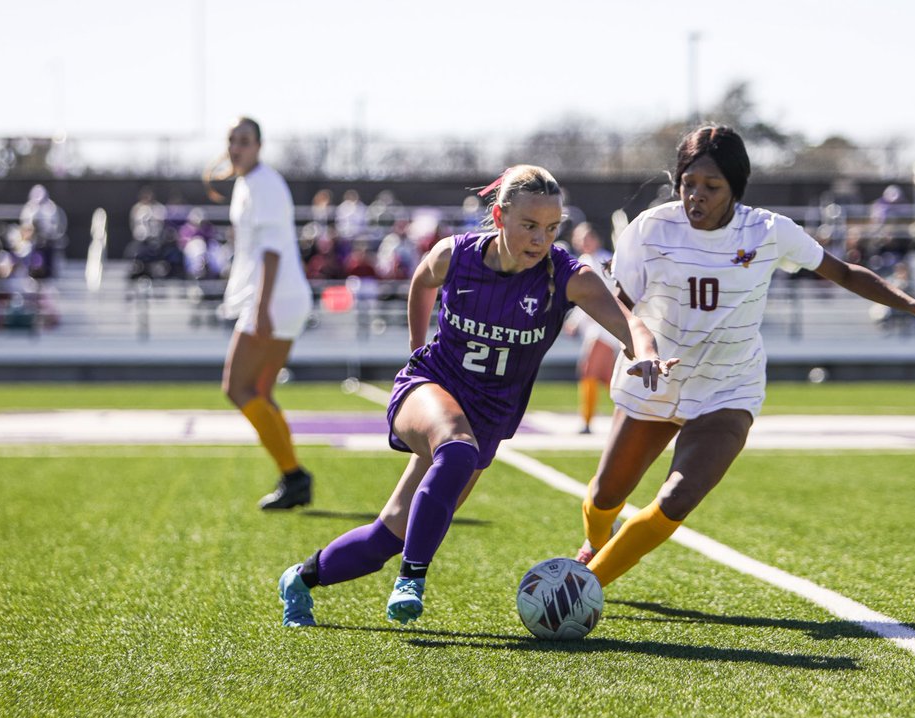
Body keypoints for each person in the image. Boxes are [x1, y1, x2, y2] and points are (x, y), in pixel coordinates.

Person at [276, 165, 674, 628]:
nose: (540, 239)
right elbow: (423, 281)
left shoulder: (567, 276)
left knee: (389, 537)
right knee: (456, 449)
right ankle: (413, 578)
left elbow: (630, 322)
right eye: (529, 226)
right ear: (499, 217)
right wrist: (414, 348)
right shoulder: (456, 255)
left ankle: (301, 579)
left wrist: (643, 353)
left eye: (551, 228)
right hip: (430, 386)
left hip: (488, 415)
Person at [574, 125, 915, 589]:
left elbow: (842, 271)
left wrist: (913, 304)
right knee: (604, 498)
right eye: (688, 184)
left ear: (736, 188)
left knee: (677, 497)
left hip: (728, 386)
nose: (696, 197)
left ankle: (584, 585)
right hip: (657, 379)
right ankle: (594, 544)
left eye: (712, 187)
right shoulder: (651, 228)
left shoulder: (768, 231)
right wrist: (639, 345)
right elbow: (618, 299)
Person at [212, 117, 316, 510]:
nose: (236, 147)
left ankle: (294, 474)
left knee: (236, 387)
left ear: (259, 145)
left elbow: (272, 250)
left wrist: (260, 308)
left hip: (275, 298)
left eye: (244, 140)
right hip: (281, 298)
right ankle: (294, 479)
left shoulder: (264, 183)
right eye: (231, 140)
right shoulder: (249, 183)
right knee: (259, 392)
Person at [562, 222, 618, 433]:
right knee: (604, 376)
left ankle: (587, 422)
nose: (581, 242)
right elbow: (584, 299)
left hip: (606, 327)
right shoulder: (585, 261)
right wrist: (574, 321)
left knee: (590, 371)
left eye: (585, 237)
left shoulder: (606, 260)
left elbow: (612, 295)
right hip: (595, 328)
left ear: (596, 238)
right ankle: (633, 412)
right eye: (578, 238)